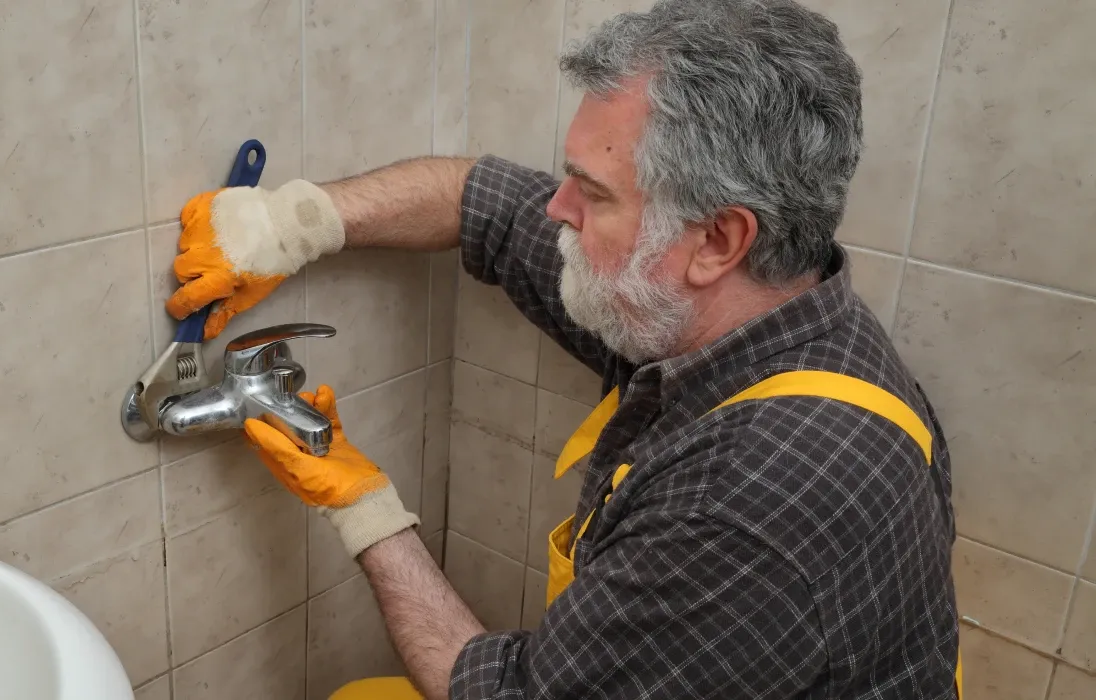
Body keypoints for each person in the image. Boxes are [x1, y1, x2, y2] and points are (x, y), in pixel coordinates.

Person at [164, 0, 961, 698]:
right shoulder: (768, 313)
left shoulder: (751, 500)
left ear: (718, 238)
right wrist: (293, 225)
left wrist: (364, 506)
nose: (558, 206)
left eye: (596, 193)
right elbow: (486, 203)